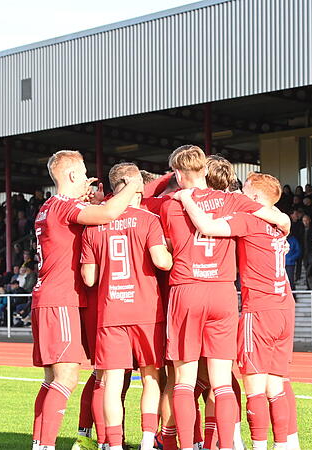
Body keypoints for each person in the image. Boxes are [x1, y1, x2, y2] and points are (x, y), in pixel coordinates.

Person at [159, 145, 290, 450]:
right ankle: (227, 446)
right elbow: (277, 217)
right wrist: (285, 224)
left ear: (178, 173)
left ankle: (188, 445)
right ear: (205, 169)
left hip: (186, 290)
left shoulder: (170, 204)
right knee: (222, 383)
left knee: (184, 381)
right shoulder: (234, 200)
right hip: (222, 292)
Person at [30, 149, 143, 450]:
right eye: (83, 174)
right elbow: (108, 214)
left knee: (50, 379)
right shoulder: (64, 206)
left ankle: (40, 444)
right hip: (61, 299)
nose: (87, 180)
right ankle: (46, 446)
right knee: (66, 377)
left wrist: (89, 201)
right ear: (71, 175)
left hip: (46, 297)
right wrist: (133, 183)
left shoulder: (48, 207)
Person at [81, 163, 173, 450]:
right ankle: (147, 440)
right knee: (151, 375)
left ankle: (113, 443)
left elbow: (89, 277)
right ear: (135, 184)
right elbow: (162, 261)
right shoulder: (147, 220)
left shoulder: (95, 222)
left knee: (111, 379)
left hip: (112, 312)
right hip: (146, 310)